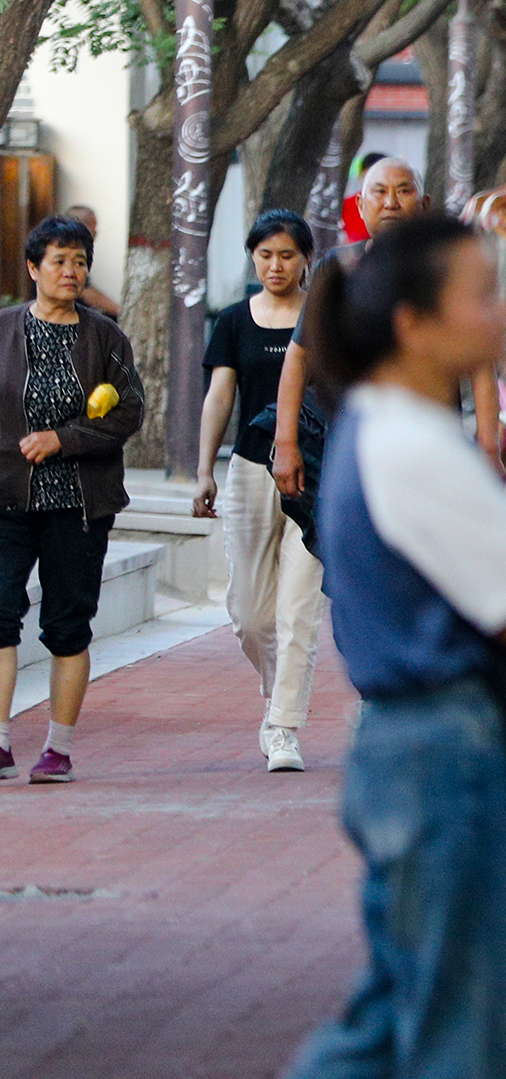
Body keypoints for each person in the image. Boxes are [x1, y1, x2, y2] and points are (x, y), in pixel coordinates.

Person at [221, 216, 506, 1079]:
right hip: (442, 754)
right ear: (416, 322)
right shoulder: (410, 440)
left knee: (391, 1023)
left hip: (413, 747)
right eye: (481, 293)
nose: (501, 314)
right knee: (456, 1050)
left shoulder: (383, 429)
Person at [0, 216, 146, 782]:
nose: (71, 271)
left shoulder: (105, 337)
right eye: (59, 261)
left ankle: (57, 750)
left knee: (67, 625)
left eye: (80, 261)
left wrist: (64, 439)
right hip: (7, 501)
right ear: (33, 268)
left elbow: (130, 411)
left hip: (78, 506)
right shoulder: (4, 331)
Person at [272, 157, 500, 497]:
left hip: (434, 445)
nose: (391, 202)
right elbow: (299, 357)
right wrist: (285, 442)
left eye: (404, 191)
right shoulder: (338, 269)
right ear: (360, 205)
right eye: (379, 192)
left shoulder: (445, 269)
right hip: (355, 447)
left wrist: (489, 448)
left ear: (424, 205)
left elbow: (480, 365)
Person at [193, 209, 322, 772]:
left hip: (314, 473)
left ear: (306, 260)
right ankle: (277, 694)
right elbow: (220, 396)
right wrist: (204, 470)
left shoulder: (322, 319)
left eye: (287, 255)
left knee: (298, 608)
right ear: (253, 258)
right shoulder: (233, 320)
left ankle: (284, 725)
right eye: (266, 255)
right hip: (250, 468)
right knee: (249, 614)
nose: (276, 265)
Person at [57, 204, 124, 319]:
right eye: (93, 227)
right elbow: (86, 292)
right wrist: (120, 311)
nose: (96, 234)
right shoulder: (66, 251)